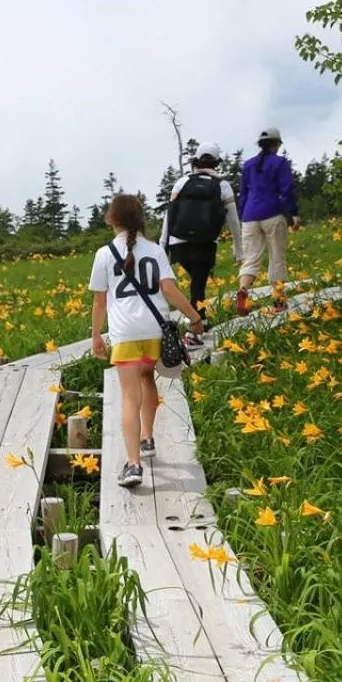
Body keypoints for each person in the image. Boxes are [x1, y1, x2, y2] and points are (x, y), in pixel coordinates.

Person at [89, 193, 205, 488]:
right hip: (155, 329)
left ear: (111, 219)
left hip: (125, 332)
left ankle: (133, 464)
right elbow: (169, 290)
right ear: (140, 219)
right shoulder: (155, 250)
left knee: (129, 397)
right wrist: (194, 317)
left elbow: (100, 302)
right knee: (147, 379)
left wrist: (96, 338)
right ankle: (148, 439)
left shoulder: (104, 254)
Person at [163, 140, 242, 323]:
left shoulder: (182, 182)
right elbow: (233, 221)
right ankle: (198, 325)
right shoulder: (222, 185)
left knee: (195, 283)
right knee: (198, 285)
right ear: (216, 162)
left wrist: (163, 245)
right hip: (205, 244)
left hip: (178, 243)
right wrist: (238, 248)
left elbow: (170, 215)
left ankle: (196, 321)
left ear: (196, 160)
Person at [235, 127, 301, 315]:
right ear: (276, 144)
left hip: (249, 216)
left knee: (251, 259)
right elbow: (286, 189)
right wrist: (293, 213)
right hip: (272, 212)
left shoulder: (248, 165)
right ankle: (278, 301)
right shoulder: (280, 163)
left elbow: (243, 194)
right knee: (277, 257)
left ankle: (243, 291)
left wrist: (243, 215)